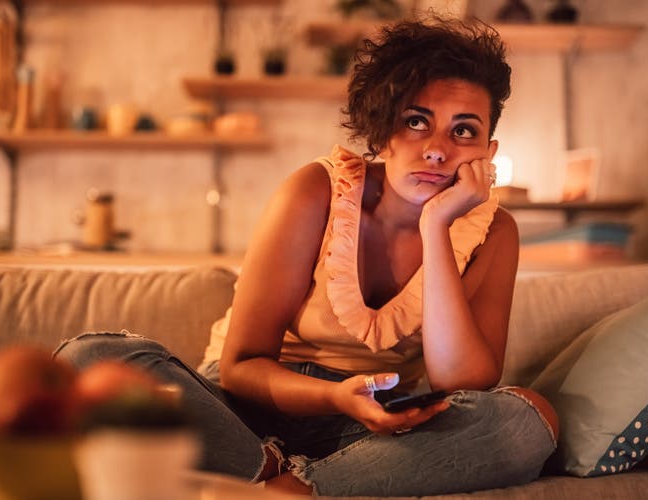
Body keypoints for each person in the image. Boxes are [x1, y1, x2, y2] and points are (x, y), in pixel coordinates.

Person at [55, 14, 558, 497]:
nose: (438, 149)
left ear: (488, 152)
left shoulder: (494, 232)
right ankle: (268, 470)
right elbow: (241, 367)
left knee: (527, 420)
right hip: (242, 412)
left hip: (366, 428)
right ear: (382, 130)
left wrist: (436, 226)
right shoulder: (316, 191)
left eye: (463, 130)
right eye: (416, 121)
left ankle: (294, 488)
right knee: (91, 358)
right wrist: (333, 395)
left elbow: (462, 382)